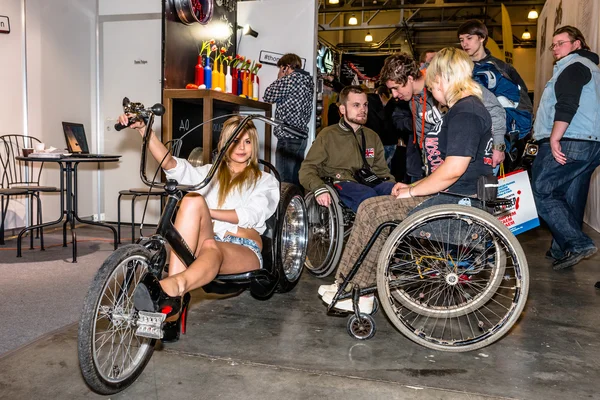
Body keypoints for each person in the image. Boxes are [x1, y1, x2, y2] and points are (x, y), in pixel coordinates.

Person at [318, 47, 493, 312]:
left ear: (445, 78)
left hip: (457, 202)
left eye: (432, 82)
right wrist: (412, 187)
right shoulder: (468, 109)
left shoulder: (465, 112)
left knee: (373, 209)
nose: (431, 90)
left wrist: (411, 192)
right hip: (454, 196)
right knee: (376, 206)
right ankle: (349, 283)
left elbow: (453, 170)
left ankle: (356, 289)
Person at [117, 114, 280, 342]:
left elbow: (249, 215)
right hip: (205, 243)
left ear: (254, 145)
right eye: (234, 140)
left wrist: (207, 210)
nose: (241, 147)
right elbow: (171, 165)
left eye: (247, 141)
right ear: (223, 142)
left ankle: (173, 288)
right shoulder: (208, 173)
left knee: (208, 233)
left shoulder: (265, 181)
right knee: (192, 200)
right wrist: (145, 132)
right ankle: (173, 301)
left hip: (242, 247)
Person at [531, 25, 600, 271]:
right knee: (571, 196)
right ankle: (563, 247)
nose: (556, 48)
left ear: (577, 44)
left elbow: (567, 104)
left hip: (570, 139)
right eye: (553, 44)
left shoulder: (573, 67)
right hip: (590, 143)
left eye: (561, 42)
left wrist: (554, 137)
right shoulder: (590, 68)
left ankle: (577, 243)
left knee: (541, 190)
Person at [380, 53, 504, 179]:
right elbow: (424, 137)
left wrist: (498, 146)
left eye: (396, 88)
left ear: (410, 79)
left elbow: (494, 108)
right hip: (448, 167)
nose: (394, 95)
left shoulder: (447, 81)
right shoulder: (413, 102)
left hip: (479, 160)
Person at [299, 85, 395, 213]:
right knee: (368, 197)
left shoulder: (372, 136)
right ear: (342, 109)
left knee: (396, 192)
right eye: (356, 105)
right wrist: (319, 187)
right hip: (340, 182)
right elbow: (307, 169)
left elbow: (382, 172)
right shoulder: (328, 135)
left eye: (365, 105)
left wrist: (394, 187)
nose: (363, 109)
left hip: (368, 181)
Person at [458, 19, 533, 169]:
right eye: (461, 40)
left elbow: (523, 102)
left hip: (499, 137)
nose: (465, 43)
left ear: (482, 38)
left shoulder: (502, 68)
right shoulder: (459, 68)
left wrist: (515, 135)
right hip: (468, 134)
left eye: (469, 38)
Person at [263, 53, 314, 187]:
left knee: (284, 182)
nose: (280, 71)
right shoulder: (307, 81)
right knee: (295, 181)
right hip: (301, 137)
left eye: (281, 68)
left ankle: (287, 209)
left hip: (288, 136)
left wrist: (280, 78)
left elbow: (268, 96)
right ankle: (297, 208)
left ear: (286, 67)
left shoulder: (290, 79)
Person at [365, 86, 400, 169]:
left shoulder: (372, 104)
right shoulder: (391, 105)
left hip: (375, 142)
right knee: (384, 167)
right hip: (388, 142)